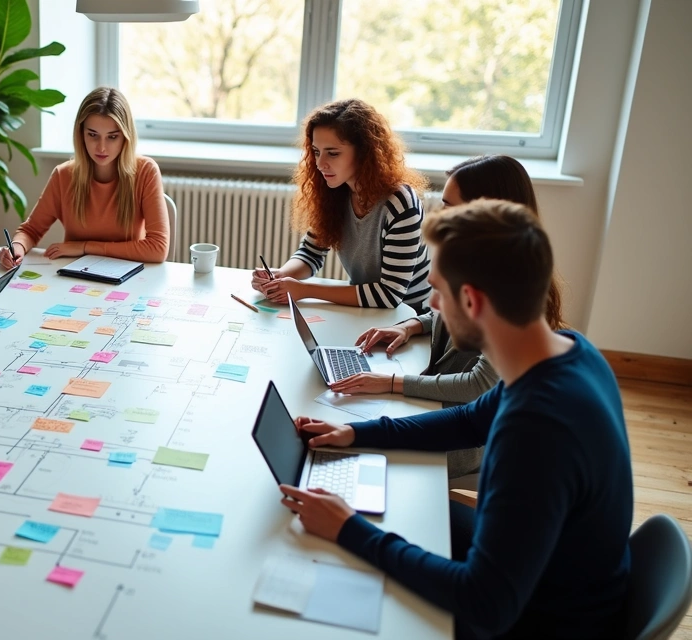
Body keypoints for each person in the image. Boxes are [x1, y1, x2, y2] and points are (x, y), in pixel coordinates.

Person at [279, 200, 631, 639]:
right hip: (548, 575)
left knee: (330, 593)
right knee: (397, 511)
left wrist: (349, 529)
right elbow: (468, 421)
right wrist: (354, 433)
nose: (429, 303)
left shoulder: (537, 431)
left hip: (541, 618)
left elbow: (485, 604)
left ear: (471, 300)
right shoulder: (566, 349)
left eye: (437, 290)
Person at [331, 155, 569, 478]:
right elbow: (443, 315)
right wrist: (412, 324)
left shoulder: (507, 296)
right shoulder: (474, 264)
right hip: (451, 415)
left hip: (466, 440)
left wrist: (390, 383)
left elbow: (476, 389)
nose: (439, 216)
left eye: (449, 206)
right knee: (356, 426)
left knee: (365, 454)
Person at [251, 99, 432, 312]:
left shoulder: (401, 204)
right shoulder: (335, 190)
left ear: (366, 152)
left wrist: (304, 290)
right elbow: (311, 253)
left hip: (410, 317)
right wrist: (280, 276)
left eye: (333, 153)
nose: (319, 164)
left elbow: (390, 294)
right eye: (316, 152)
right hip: (370, 311)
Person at [0, 87, 169, 268]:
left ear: (125, 138)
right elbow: (31, 230)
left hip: (129, 279)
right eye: (93, 135)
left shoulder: (146, 171)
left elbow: (158, 248)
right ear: (81, 134)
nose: (101, 147)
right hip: (75, 279)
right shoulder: (63, 175)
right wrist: (16, 247)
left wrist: (85, 247)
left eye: (112, 137)